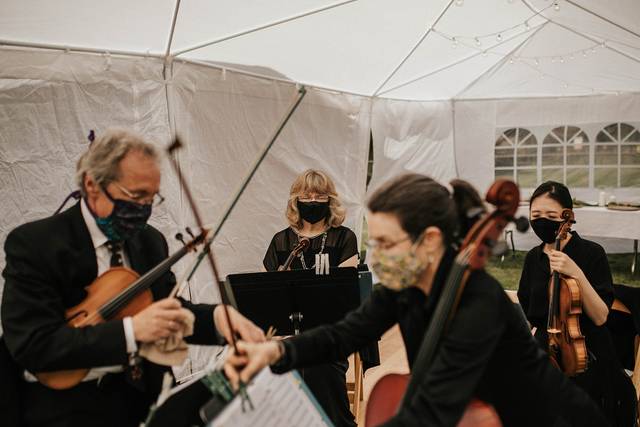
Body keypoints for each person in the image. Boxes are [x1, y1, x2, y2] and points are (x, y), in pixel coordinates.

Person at [226, 173, 609, 426]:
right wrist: (275, 354)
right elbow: (343, 334)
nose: (377, 255)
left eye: (388, 243)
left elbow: (433, 407)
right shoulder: (403, 285)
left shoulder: (479, 303)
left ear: (429, 241)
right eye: (375, 243)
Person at [1, 129, 265, 427]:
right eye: (135, 196)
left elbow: (164, 308)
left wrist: (217, 318)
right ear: (92, 185)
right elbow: (34, 345)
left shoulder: (149, 241)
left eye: (152, 198)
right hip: (65, 408)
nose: (144, 210)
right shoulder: (36, 244)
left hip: (137, 399)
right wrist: (131, 331)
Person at [517, 181, 636, 426]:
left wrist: (576, 272)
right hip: (546, 346)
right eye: (536, 215)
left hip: (586, 350)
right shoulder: (532, 258)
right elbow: (530, 311)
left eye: (551, 215)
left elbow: (601, 316)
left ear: (567, 217)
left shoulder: (592, 253)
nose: (542, 221)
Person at [262, 169, 359, 426]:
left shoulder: (344, 237)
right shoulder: (281, 241)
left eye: (320, 195)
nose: (313, 201)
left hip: (330, 330)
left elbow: (346, 295)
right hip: (287, 331)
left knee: (318, 362)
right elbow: (266, 296)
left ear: (330, 201)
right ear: (296, 200)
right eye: (306, 195)